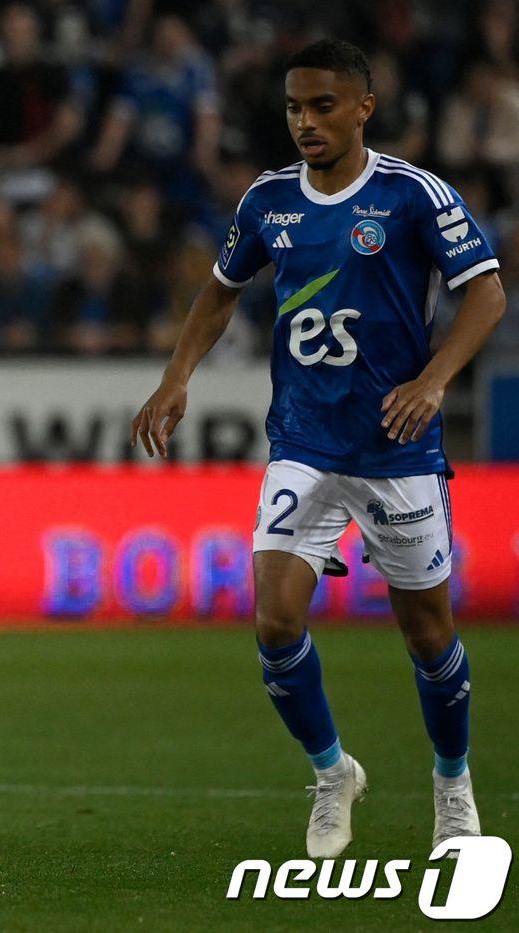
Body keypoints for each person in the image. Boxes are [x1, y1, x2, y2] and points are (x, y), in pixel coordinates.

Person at [131, 40, 506, 858]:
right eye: (295, 107)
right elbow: (219, 292)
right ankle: (333, 771)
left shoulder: (412, 195)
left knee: (428, 633)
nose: (305, 121)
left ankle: (452, 783)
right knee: (273, 617)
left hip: (397, 449)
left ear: (363, 107)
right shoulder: (268, 202)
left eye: (323, 106)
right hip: (302, 443)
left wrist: (436, 379)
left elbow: (487, 291)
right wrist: (176, 377)